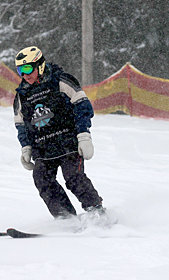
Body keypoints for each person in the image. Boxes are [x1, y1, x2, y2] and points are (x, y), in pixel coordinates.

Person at [13, 46, 103, 219]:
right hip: (43, 147)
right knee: (41, 179)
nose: (25, 75)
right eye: (20, 70)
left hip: (67, 141)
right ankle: (65, 217)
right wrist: (26, 147)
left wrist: (83, 135)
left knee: (73, 177)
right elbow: (21, 124)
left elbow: (82, 105)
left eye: (27, 68)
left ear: (39, 65)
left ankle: (97, 210)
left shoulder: (60, 80)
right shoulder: (22, 95)